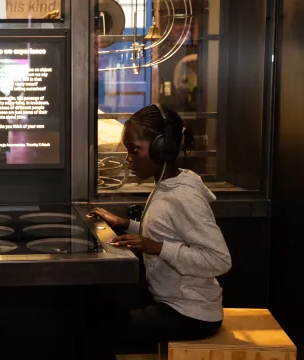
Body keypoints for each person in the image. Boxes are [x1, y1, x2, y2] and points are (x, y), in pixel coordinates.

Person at [88, 104, 232, 357]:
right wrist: (125, 224)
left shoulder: (183, 197)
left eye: (134, 149)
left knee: (98, 330)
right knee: (96, 310)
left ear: (161, 148)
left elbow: (219, 260)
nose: (127, 158)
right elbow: (164, 232)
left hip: (192, 313)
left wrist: (157, 248)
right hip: (170, 301)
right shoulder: (166, 186)